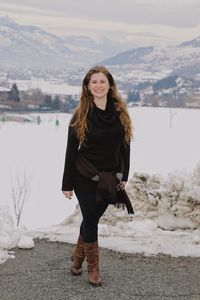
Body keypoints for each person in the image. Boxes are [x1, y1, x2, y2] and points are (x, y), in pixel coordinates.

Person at [62, 65, 132, 287]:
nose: (99, 85)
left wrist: (125, 175)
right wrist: (67, 183)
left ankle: (77, 258)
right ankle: (93, 269)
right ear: (87, 86)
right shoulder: (81, 114)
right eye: (94, 82)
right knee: (91, 218)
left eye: (102, 81)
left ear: (110, 85)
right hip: (84, 175)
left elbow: (125, 145)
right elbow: (71, 151)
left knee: (91, 218)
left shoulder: (120, 112)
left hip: (110, 177)